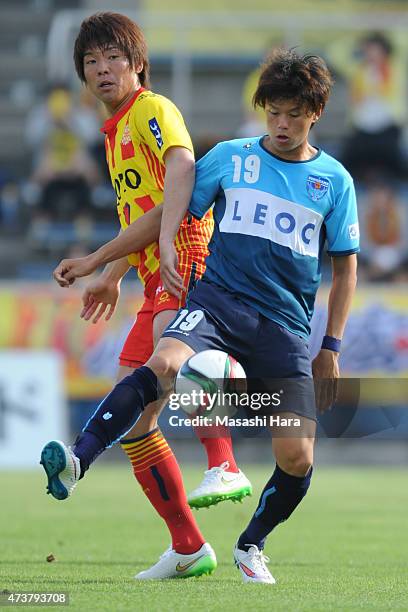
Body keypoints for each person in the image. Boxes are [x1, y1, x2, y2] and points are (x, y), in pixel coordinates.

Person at [42, 48, 359, 582]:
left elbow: (345, 270)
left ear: (316, 114)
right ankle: (79, 459)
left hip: (284, 328)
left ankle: (250, 543)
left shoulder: (335, 182)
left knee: (298, 457)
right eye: (273, 113)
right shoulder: (231, 158)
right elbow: (165, 211)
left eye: (294, 115)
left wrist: (331, 347)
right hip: (218, 302)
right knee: (165, 361)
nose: (281, 125)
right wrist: (100, 261)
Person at [40, 12, 252, 581]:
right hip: (152, 272)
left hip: (188, 258)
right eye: (90, 61)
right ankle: (187, 546)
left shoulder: (153, 110)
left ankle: (223, 462)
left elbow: (182, 167)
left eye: (113, 57)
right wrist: (115, 273)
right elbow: (137, 207)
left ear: (138, 64)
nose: (102, 68)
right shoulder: (115, 135)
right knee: (137, 419)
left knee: (170, 358)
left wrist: (102, 257)